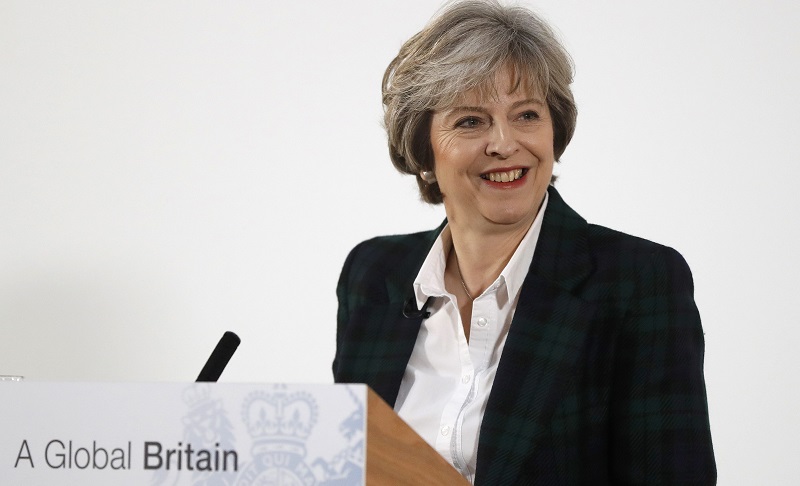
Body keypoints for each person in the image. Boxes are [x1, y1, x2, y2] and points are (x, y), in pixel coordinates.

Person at [332, 0, 716, 484]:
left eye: (527, 115)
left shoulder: (637, 283)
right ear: (422, 146)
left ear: (555, 131)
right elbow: (350, 468)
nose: (504, 143)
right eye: (470, 121)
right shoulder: (373, 273)